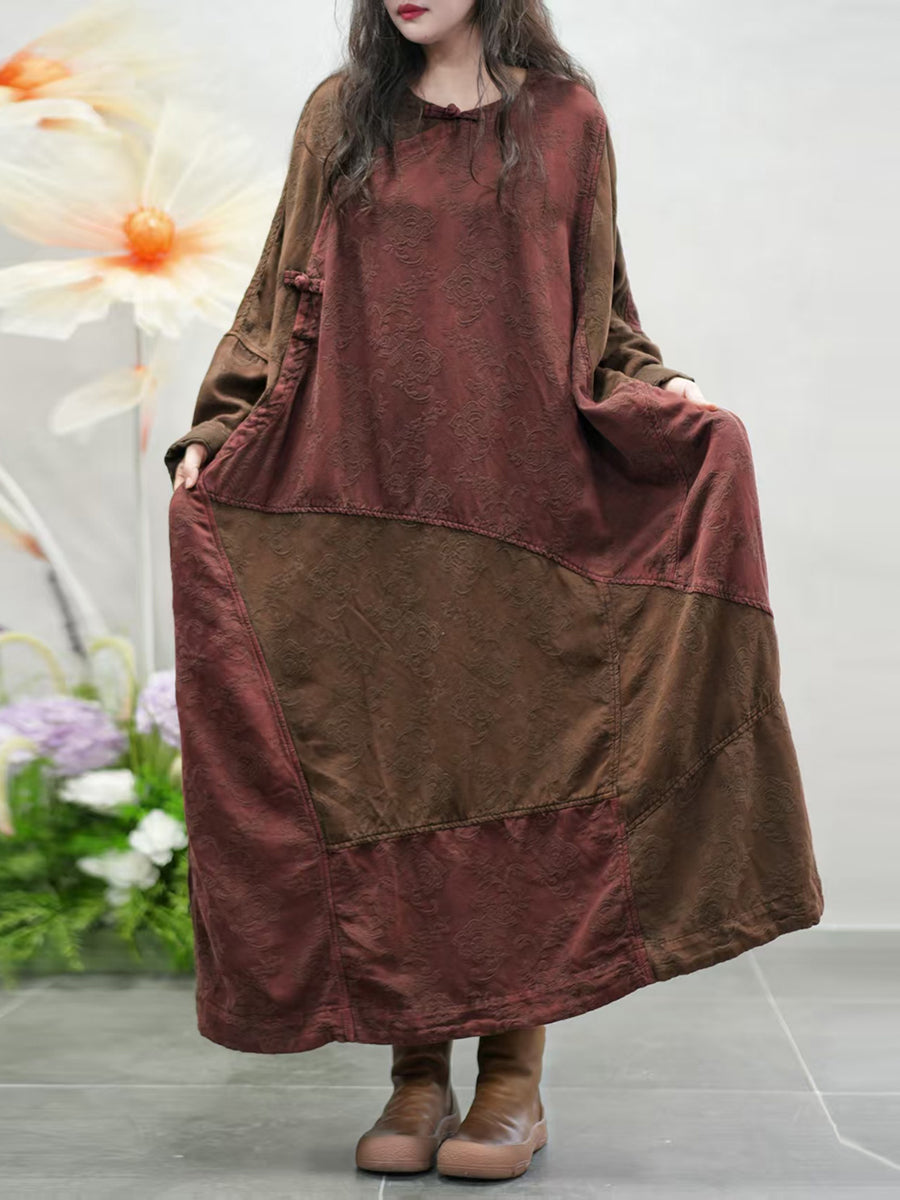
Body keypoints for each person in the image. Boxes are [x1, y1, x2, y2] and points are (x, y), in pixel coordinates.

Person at [164, 0, 824, 1185]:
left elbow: (598, 306)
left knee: (520, 770)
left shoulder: (567, 118)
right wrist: (220, 428)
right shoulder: (341, 115)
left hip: (523, 503)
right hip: (360, 505)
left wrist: (663, 389)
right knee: (389, 773)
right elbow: (278, 295)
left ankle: (512, 1079)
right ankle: (417, 1073)